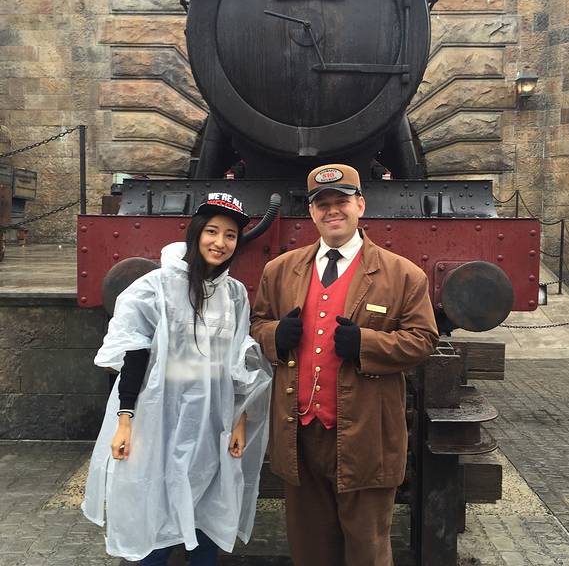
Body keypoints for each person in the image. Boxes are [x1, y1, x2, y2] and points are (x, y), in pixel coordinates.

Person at [251, 164, 439, 566]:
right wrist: (274, 336)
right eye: (323, 204)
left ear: (360, 206)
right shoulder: (279, 270)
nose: (332, 210)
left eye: (342, 201)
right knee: (310, 549)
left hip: (366, 433)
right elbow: (258, 324)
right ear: (311, 212)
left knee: (367, 549)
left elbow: (423, 339)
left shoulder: (403, 274)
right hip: (299, 434)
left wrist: (365, 344)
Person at [82, 193, 272, 565]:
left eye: (230, 235)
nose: (220, 242)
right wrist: (125, 420)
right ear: (196, 233)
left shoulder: (234, 295)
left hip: (212, 421)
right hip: (158, 416)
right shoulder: (157, 287)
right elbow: (134, 354)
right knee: (154, 504)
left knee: (207, 506)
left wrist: (240, 419)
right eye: (212, 231)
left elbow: (238, 361)